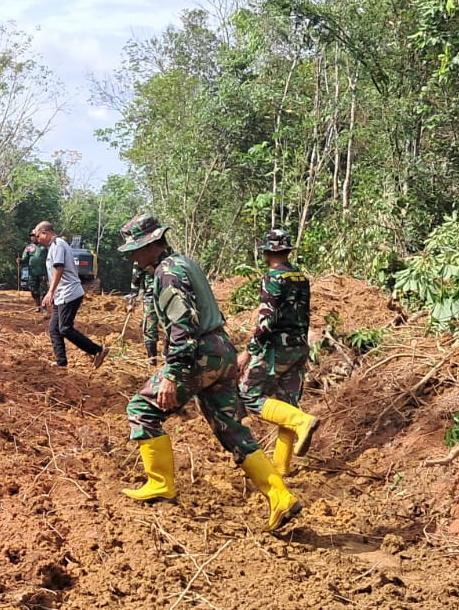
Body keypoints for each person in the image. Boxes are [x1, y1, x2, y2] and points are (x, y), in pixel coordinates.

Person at [115, 214, 300, 531]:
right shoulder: (184, 262)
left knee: (142, 408)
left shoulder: (166, 273)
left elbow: (182, 323)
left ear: (150, 244)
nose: (132, 256)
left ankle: (160, 483)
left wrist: (173, 372)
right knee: (231, 430)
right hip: (222, 350)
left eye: (135, 249)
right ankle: (280, 496)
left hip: (199, 353)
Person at [239, 228, 321, 476]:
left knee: (248, 394)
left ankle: (302, 422)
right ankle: (281, 467)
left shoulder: (273, 278)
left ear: (267, 252)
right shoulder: (300, 278)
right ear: (287, 250)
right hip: (299, 347)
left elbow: (267, 321)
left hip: (276, 349)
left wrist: (248, 351)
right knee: (288, 403)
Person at [35, 220, 106, 368]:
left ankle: (97, 351)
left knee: (65, 328)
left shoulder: (58, 245)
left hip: (70, 293)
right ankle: (61, 362)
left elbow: (59, 269)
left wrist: (50, 292)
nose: (37, 239)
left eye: (37, 235)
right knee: (54, 329)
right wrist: (52, 294)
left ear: (45, 233)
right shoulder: (52, 247)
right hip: (61, 294)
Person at [20, 232, 48, 313]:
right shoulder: (29, 247)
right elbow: (25, 259)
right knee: (33, 290)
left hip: (43, 272)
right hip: (32, 273)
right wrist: (20, 261)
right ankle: (37, 306)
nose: (32, 238)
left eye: (34, 236)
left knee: (44, 291)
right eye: (31, 236)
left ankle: (44, 307)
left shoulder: (44, 246)